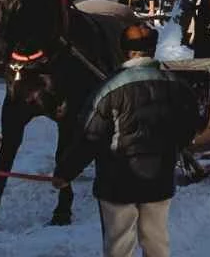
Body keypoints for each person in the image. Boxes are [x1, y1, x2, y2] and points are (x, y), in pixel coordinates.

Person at [53, 24, 201, 257]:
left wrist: (65, 173)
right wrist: (172, 147)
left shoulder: (109, 89)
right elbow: (192, 125)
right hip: (159, 179)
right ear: (153, 49)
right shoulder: (178, 86)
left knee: (119, 246)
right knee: (156, 242)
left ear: (124, 51)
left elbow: (89, 137)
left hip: (116, 183)